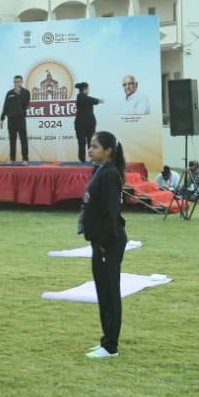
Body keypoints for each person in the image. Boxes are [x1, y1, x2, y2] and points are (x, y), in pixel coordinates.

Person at [80, 130, 129, 359]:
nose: (90, 149)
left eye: (95, 146)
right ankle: (105, 339)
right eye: (90, 145)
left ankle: (111, 346)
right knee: (102, 291)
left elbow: (112, 212)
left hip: (107, 242)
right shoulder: (101, 171)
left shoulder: (109, 174)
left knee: (110, 292)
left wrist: (104, 243)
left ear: (108, 151)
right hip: (99, 241)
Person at [0, 75, 30, 161]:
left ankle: (25, 159)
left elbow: (25, 104)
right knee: (12, 141)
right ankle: (12, 159)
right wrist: (2, 119)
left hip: (20, 119)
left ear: (22, 82)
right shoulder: (9, 93)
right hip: (11, 120)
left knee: (23, 140)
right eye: (15, 82)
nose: (16, 84)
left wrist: (18, 94)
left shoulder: (26, 92)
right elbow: (6, 106)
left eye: (18, 82)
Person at [73, 81, 102, 162]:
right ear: (85, 89)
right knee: (82, 142)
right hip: (81, 124)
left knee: (91, 142)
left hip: (90, 123)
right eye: (88, 88)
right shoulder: (81, 97)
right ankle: (82, 161)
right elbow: (94, 100)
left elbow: (92, 101)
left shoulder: (86, 98)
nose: (89, 90)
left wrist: (97, 101)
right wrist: (99, 100)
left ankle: (92, 159)